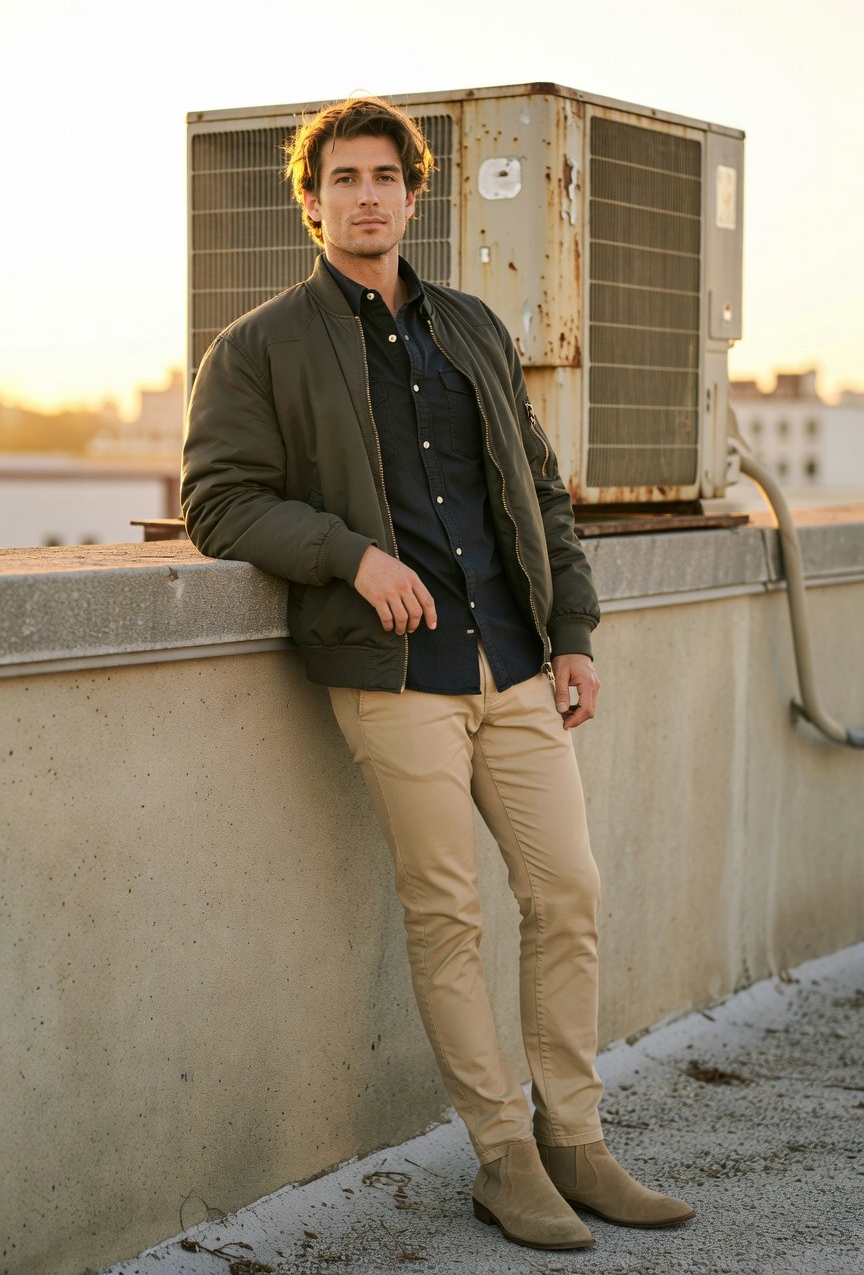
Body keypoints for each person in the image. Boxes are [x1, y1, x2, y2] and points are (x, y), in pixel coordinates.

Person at [181, 95, 694, 1252]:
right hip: (393, 672)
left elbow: (541, 491)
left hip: (513, 661)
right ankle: (505, 1160)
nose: (365, 195)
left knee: (569, 892)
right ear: (310, 204)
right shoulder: (258, 348)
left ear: (416, 196)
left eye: (385, 177)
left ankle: (578, 1139)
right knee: (447, 911)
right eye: (342, 179)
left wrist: (575, 630)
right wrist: (353, 557)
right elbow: (217, 501)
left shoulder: (470, 328)